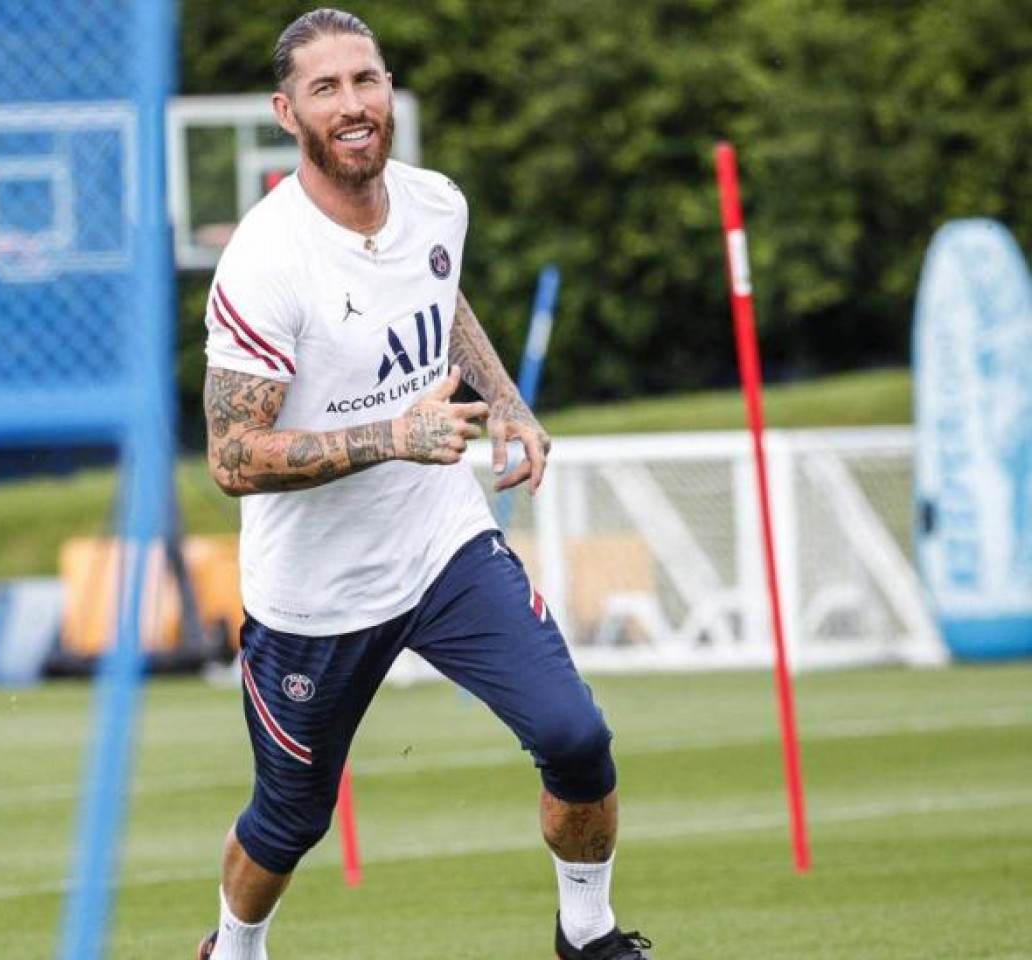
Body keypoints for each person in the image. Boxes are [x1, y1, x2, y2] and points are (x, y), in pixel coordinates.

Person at [197, 9, 652, 959]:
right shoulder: (266, 260)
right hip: (316, 593)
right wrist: (393, 436)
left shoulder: (437, 202)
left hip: (444, 547)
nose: (352, 105)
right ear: (287, 112)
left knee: (576, 737)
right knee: (290, 821)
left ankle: (589, 935)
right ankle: (232, 948)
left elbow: (440, 302)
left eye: (366, 79)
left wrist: (508, 403)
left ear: (390, 89)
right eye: (325, 88)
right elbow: (232, 456)